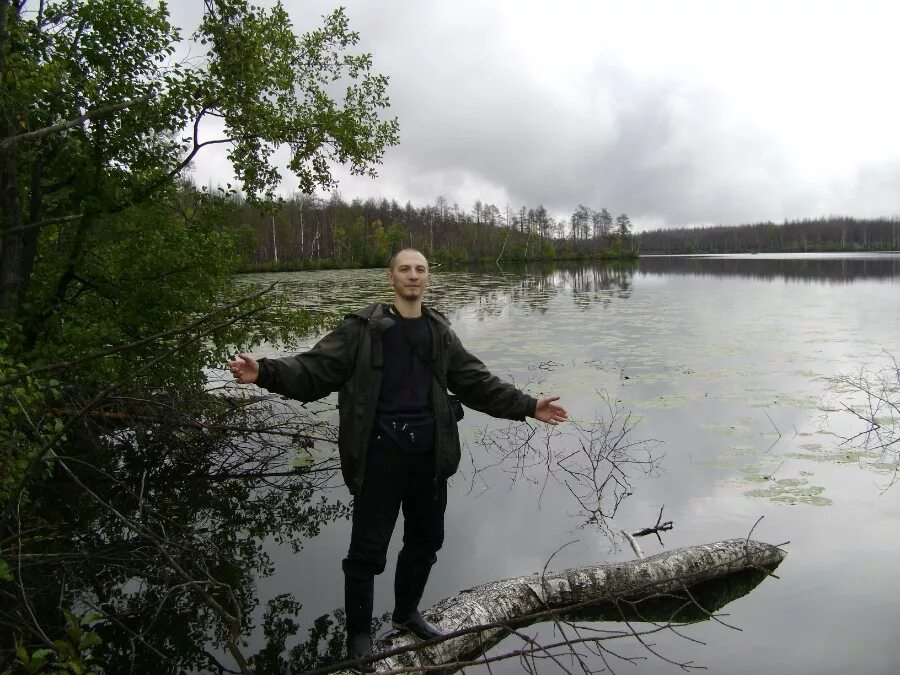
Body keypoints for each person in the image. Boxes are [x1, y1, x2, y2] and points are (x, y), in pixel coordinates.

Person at [228, 248, 567, 672]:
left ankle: (407, 613)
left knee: (426, 542)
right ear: (391, 277)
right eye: (404, 269)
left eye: (420, 269)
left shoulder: (440, 332)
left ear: (428, 279)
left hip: (429, 456)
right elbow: (313, 371)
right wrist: (264, 371)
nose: (412, 275)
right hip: (379, 455)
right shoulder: (362, 330)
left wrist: (527, 405)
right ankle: (359, 636)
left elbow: (476, 382)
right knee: (366, 552)